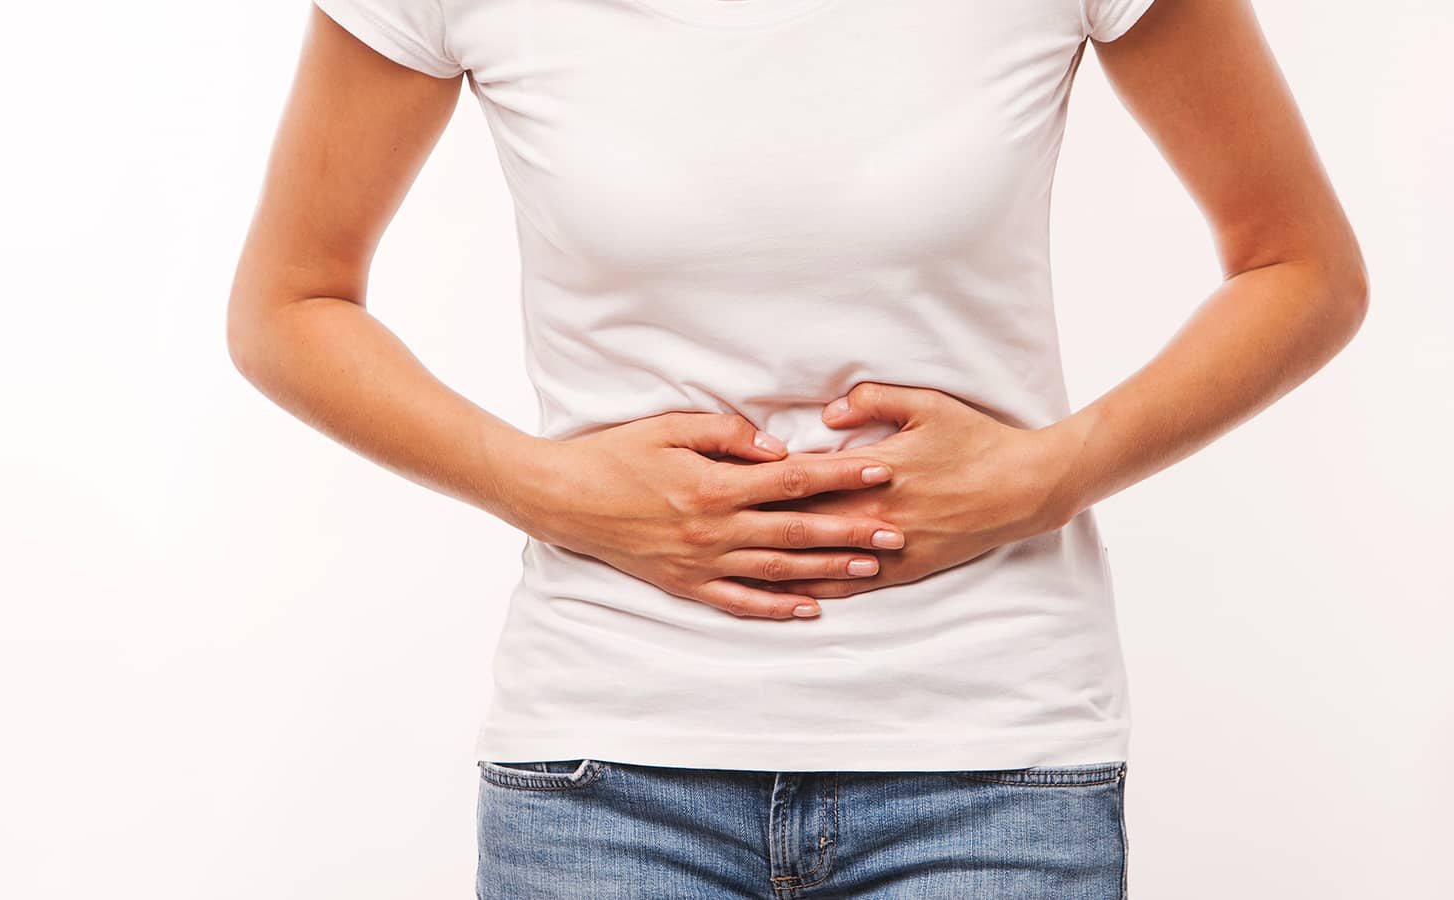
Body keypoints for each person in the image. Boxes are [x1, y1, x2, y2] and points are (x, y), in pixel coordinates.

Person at [226, 0, 1367, 895]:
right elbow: (288, 304)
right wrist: (547, 490)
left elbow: (1302, 269)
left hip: (991, 761)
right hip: (608, 768)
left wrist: (1046, 476)